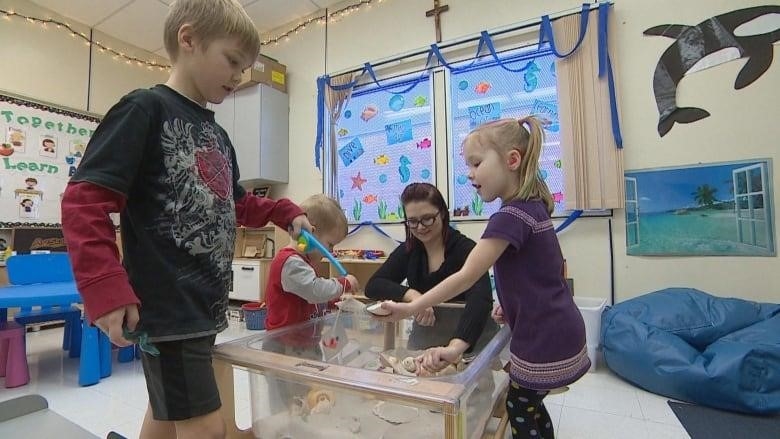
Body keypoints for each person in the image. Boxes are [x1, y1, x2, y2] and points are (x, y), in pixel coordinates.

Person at [60, 1, 312, 438]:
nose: (238, 76)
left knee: (166, 412)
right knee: (205, 429)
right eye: (232, 61)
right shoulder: (144, 109)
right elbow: (84, 201)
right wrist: (104, 285)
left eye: (245, 68)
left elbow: (236, 205)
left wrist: (285, 212)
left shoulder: (218, 135)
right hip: (169, 308)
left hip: (204, 308)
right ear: (189, 39)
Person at [379, 117, 589, 439]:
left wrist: (409, 307)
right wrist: (511, 303)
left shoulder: (509, 216)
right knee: (529, 404)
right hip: (558, 327)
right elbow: (543, 271)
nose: (469, 173)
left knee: (519, 406)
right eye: (468, 165)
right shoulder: (533, 207)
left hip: (544, 336)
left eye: (476, 163)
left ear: (512, 160)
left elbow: (467, 277)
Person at [365, 182, 497, 358]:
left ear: (442, 213)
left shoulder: (465, 249)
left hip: (470, 340)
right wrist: (414, 296)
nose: (420, 227)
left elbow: (480, 299)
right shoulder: (409, 250)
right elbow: (373, 286)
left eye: (427, 218)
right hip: (426, 339)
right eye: (412, 221)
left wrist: (456, 346)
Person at [264, 193, 359, 331]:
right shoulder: (290, 263)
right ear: (310, 233)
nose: (331, 251)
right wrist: (344, 283)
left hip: (304, 341)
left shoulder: (302, 261)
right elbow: (314, 291)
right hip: (285, 343)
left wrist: (331, 302)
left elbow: (305, 298)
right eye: (330, 244)